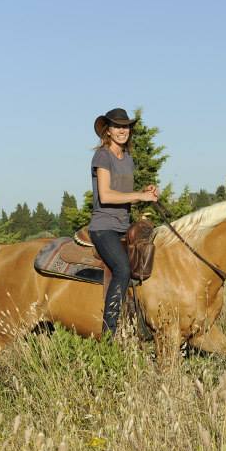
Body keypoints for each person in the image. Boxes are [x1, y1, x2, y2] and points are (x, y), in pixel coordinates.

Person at [89, 108, 159, 336]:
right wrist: (139, 195)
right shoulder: (103, 156)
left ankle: (143, 323)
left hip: (124, 227)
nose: (122, 130)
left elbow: (124, 194)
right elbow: (106, 195)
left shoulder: (127, 159)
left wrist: (144, 191)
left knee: (149, 262)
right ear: (107, 131)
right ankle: (109, 332)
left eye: (126, 126)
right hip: (104, 228)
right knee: (122, 269)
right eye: (117, 126)